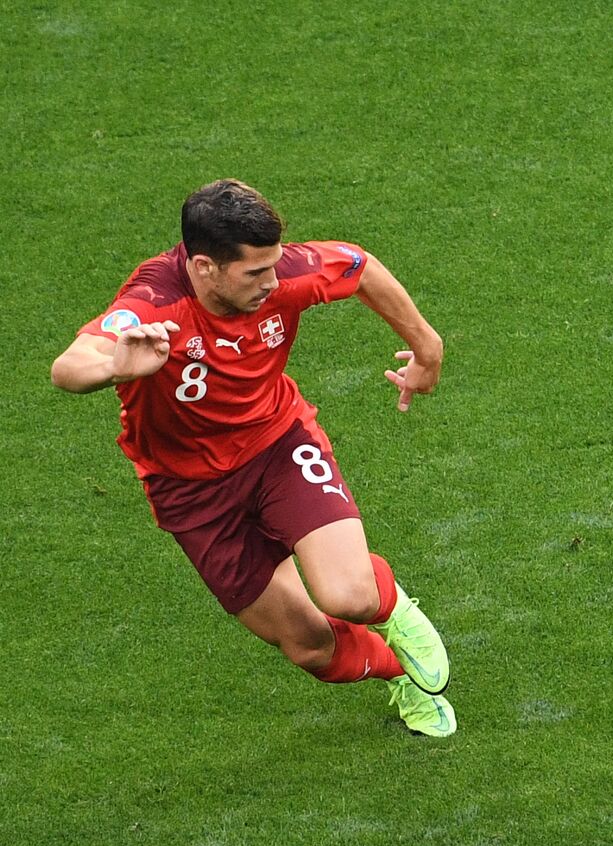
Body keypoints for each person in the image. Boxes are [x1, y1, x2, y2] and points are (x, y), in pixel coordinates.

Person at [52, 179, 455, 737]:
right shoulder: (153, 303)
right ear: (204, 267)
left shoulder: (285, 272)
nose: (272, 281)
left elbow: (359, 266)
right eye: (255, 273)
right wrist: (113, 368)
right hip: (190, 493)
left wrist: (428, 348)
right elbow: (68, 367)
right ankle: (401, 674)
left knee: (351, 597)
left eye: (274, 265)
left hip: (277, 447)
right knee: (309, 646)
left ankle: (395, 612)